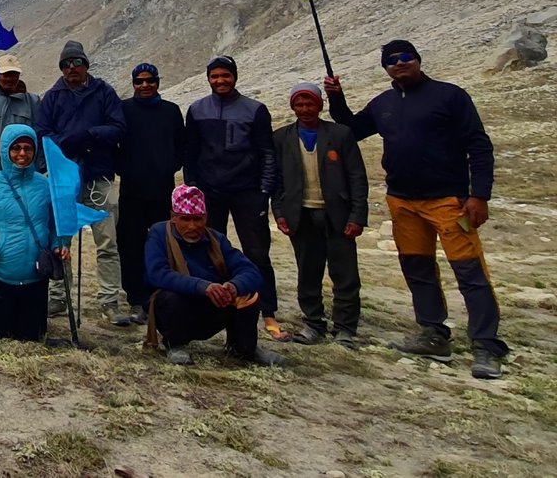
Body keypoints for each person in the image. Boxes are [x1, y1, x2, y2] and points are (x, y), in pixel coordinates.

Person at [325, 40, 505, 379]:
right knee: (417, 268)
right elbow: (352, 129)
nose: (399, 64)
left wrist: (479, 194)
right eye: (391, 61)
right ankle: (433, 333)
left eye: (406, 57)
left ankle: (487, 345)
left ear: (418, 60)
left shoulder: (450, 96)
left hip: (449, 200)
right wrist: (336, 97)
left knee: (469, 271)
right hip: (403, 200)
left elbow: (478, 145)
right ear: (385, 69)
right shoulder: (384, 104)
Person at [183, 55, 284, 340]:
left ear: (235, 77)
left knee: (257, 253)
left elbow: (267, 152)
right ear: (208, 79)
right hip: (209, 193)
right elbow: (191, 152)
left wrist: (264, 190)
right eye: (214, 76)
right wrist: (193, 186)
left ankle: (267, 310)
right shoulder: (197, 109)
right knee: (208, 250)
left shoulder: (255, 110)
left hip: (247, 192)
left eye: (225, 75)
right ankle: (213, 303)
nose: (220, 81)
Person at [35, 41, 129, 324]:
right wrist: (67, 142)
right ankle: (58, 296)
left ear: (86, 65)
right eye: (65, 64)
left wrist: (90, 135)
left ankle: (110, 301)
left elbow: (118, 128)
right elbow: (42, 133)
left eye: (76, 63)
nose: (71, 69)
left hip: (98, 176)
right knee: (60, 240)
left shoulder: (104, 92)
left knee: (107, 242)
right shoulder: (52, 97)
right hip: (64, 179)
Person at [145, 185, 285, 367]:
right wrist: (203, 287)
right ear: (173, 217)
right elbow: (157, 274)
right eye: (185, 219)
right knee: (171, 296)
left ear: (206, 218)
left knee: (247, 294)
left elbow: (251, 272)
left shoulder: (216, 239)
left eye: (198, 219)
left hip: (212, 306)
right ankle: (176, 344)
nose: (192, 226)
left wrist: (233, 287)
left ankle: (244, 348)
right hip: (176, 310)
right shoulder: (158, 234)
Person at [272, 82, 367, 347]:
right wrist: (279, 212)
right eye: (299, 105)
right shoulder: (281, 138)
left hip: (337, 214)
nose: (304, 109)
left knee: (345, 273)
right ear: (292, 107)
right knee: (308, 271)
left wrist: (357, 215)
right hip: (300, 214)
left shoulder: (341, 134)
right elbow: (277, 181)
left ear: (320, 104)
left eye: (309, 103)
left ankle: (345, 327)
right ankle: (313, 323)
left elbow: (357, 178)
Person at [0, 126, 72, 341]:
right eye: (16, 148)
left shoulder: (45, 185)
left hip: (35, 278)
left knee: (32, 336)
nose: (22, 154)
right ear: (5, 151)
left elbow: (55, 224)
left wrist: (59, 245)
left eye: (28, 148)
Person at [114, 62, 185, 325]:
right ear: (133, 84)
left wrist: (170, 165)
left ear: (158, 82)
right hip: (131, 189)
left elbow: (182, 145)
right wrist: (124, 168)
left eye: (150, 80)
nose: (145, 85)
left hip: (162, 188)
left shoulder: (171, 111)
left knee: (162, 243)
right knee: (129, 244)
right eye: (139, 81)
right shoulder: (124, 110)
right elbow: (115, 143)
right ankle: (135, 298)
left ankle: (159, 294)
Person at [0, 54, 41, 176]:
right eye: (6, 75)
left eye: (14, 75)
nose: (10, 79)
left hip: (26, 172)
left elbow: (41, 137)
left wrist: (41, 169)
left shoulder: (34, 101)